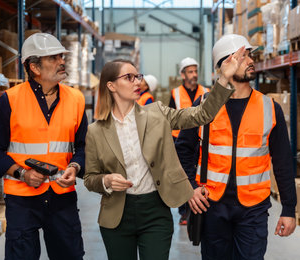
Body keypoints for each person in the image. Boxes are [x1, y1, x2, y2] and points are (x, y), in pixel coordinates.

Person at [83, 51, 245, 260]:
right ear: (111, 86)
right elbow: (89, 179)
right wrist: (105, 180)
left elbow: (202, 114)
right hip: (117, 215)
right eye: (129, 77)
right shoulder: (96, 131)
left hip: (155, 212)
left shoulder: (156, 113)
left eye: (138, 76)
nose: (137, 82)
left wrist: (224, 79)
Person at [176, 34, 297, 260]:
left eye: (250, 55)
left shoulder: (270, 108)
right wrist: (190, 187)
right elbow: (182, 150)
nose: (251, 60)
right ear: (225, 66)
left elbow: (283, 162)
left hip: (254, 209)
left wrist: (289, 209)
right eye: (243, 57)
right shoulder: (203, 106)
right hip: (212, 206)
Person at [0, 33, 86, 260]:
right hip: (22, 200)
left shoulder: (76, 99)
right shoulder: (10, 100)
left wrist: (76, 167)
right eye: (53, 58)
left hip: (62, 196)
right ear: (34, 67)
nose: (62, 61)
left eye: (61, 56)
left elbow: (84, 147)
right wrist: (21, 173)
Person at [169, 57, 209, 224]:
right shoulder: (175, 93)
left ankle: (196, 205)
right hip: (178, 138)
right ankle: (184, 211)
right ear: (183, 75)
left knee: (196, 174)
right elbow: (170, 116)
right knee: (181, 175)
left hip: (199, 138)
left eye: (195, 71)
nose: (194, 75)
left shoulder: (206, 91)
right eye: (190, 72)